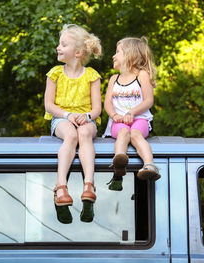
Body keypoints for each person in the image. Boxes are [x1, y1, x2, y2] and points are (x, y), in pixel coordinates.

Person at [44, 24, 102, 223]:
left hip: (86, 119)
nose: (58, 48)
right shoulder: (55, 74)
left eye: (63, 45)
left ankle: (88, 185)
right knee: (71, 135)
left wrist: (86, 117)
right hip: (61, 118)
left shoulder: (92, 76)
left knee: (85, 134)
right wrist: (68, 115)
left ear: (77, 52)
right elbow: (49, 105)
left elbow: (97, 110)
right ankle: (61, 186)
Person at [103, 37, 160, 186]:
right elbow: (107, 102)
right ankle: (120, 161)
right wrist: (115, 115)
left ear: (130, 55)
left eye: (117, 52)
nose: (113, 56)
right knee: (123, 133)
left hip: (139, 119)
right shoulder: (113, 79)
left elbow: (148, 100)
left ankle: (149, 165)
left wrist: (132, 113)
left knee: (135, 134)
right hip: (118, 121)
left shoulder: (142, 75)